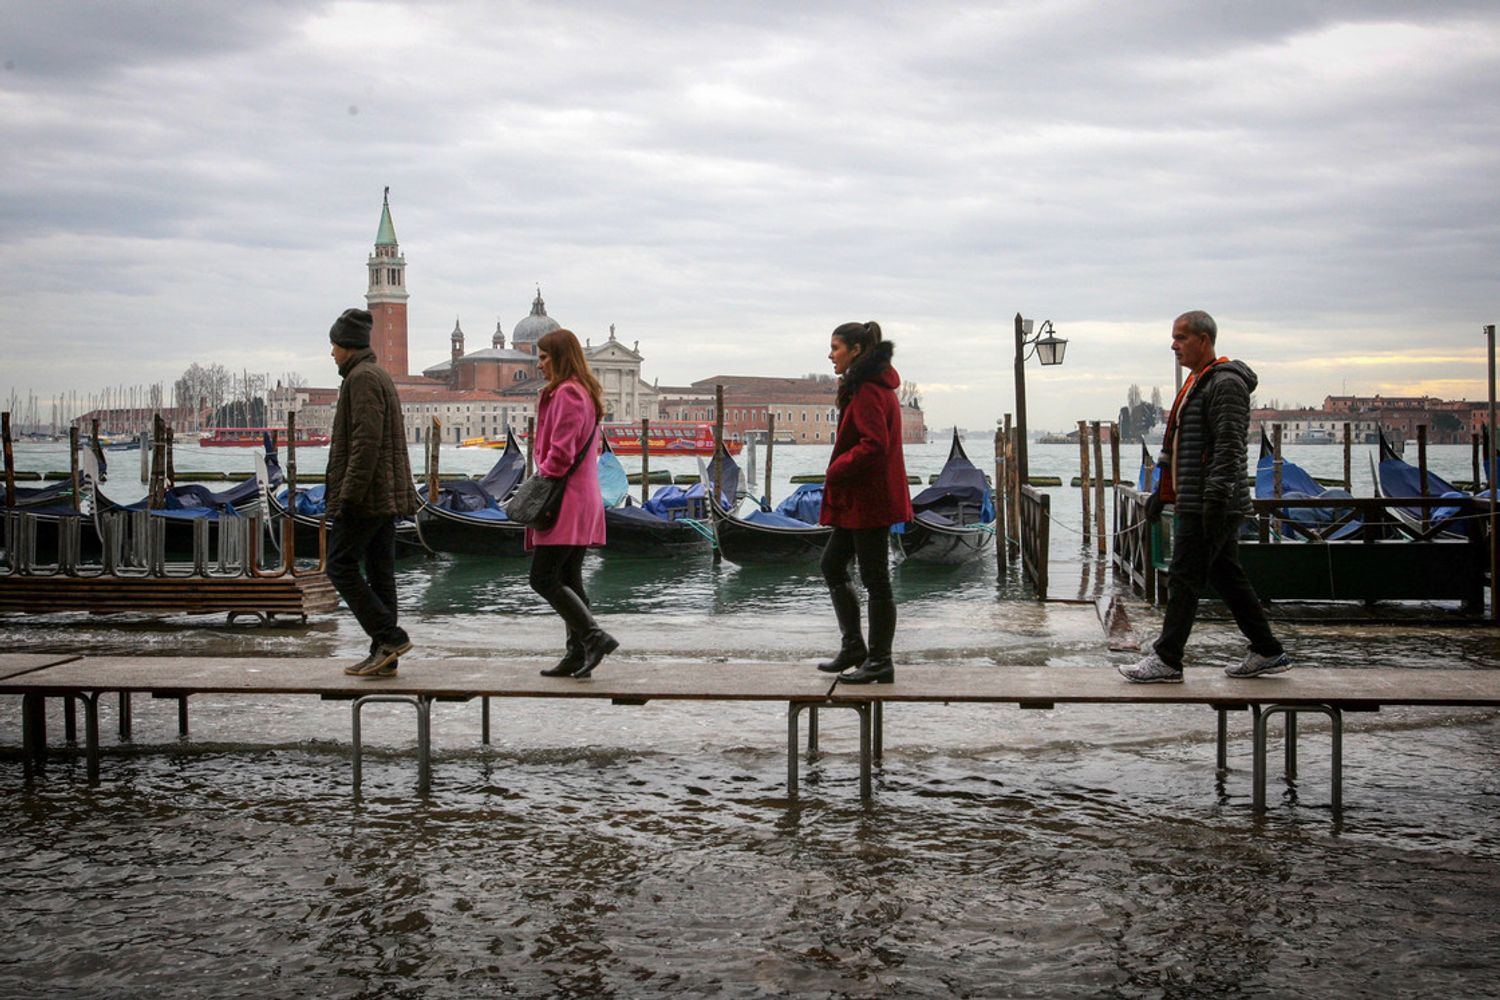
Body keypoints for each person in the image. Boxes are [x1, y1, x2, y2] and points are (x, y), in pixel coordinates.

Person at [1121, 310, 1291, 683]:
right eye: (1174, 338)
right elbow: (1179, 445)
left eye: (1181, 338)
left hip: (1210, 502)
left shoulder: (1225, 384)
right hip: (1195, 498)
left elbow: (1229, 449)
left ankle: (1167, 659)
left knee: (1184, 576)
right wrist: (1162, 494)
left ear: (1204, 340)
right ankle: (1267, 649)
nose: (1173, 345)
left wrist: (1215, 500)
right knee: (1227, 575)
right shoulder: (1196, 383)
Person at [816, 320, 913, 684]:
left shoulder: (870, 389)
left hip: (870, 498)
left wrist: (836, 468)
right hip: (860, 498)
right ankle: (855, 647)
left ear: (855, 350)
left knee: (875, 579)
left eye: (836, 347)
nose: (830, 355)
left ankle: (880, 661)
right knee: (832, 565)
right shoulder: (865, 386)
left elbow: (874, 445)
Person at [324, 307, 418, 678]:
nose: (331, 353)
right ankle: (385, 654)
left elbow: (366, 442)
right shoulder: (375, 374)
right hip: (384, 494)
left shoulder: (361, 379)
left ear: (347, 345)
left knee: (340, 566)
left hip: (367, 495)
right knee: (381, 573)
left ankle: (389, 636)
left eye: (334, 345)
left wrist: (348, 495)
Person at [528, 328, 617, 679]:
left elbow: (560, 455)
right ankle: (576, 654)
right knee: (569, 578)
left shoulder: (567, 394)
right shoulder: (581, 391)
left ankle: (594, 638)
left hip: (565, 500)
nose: (539, 365)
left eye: (544, 357)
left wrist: (538, 483)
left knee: (542, 577)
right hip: (579, 497)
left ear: (561, 358)